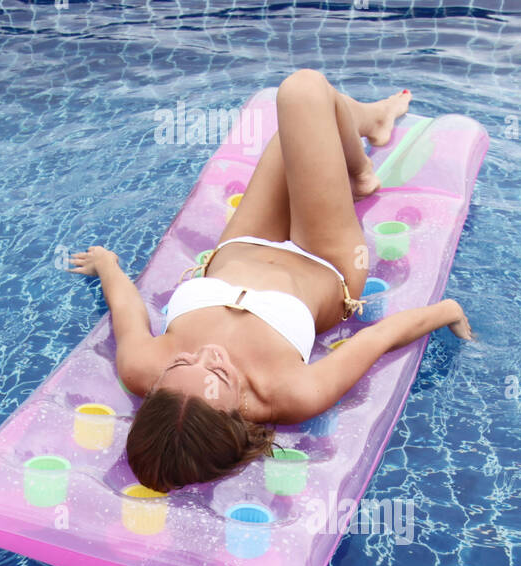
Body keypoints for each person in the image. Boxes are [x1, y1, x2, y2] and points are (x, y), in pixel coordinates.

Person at [69, 71, 474, 493]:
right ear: (236, 415)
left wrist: (107, 265)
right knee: (303, 94)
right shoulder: (289, 395)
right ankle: (362, 167)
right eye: (219, 373)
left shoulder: (141, 369)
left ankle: (369, 125)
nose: (207, 353)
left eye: (182, 363)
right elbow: (374, 341)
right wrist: (447, 312)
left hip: (244, 242)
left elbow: (128, 311)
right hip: (326, 260)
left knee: (299, 122)